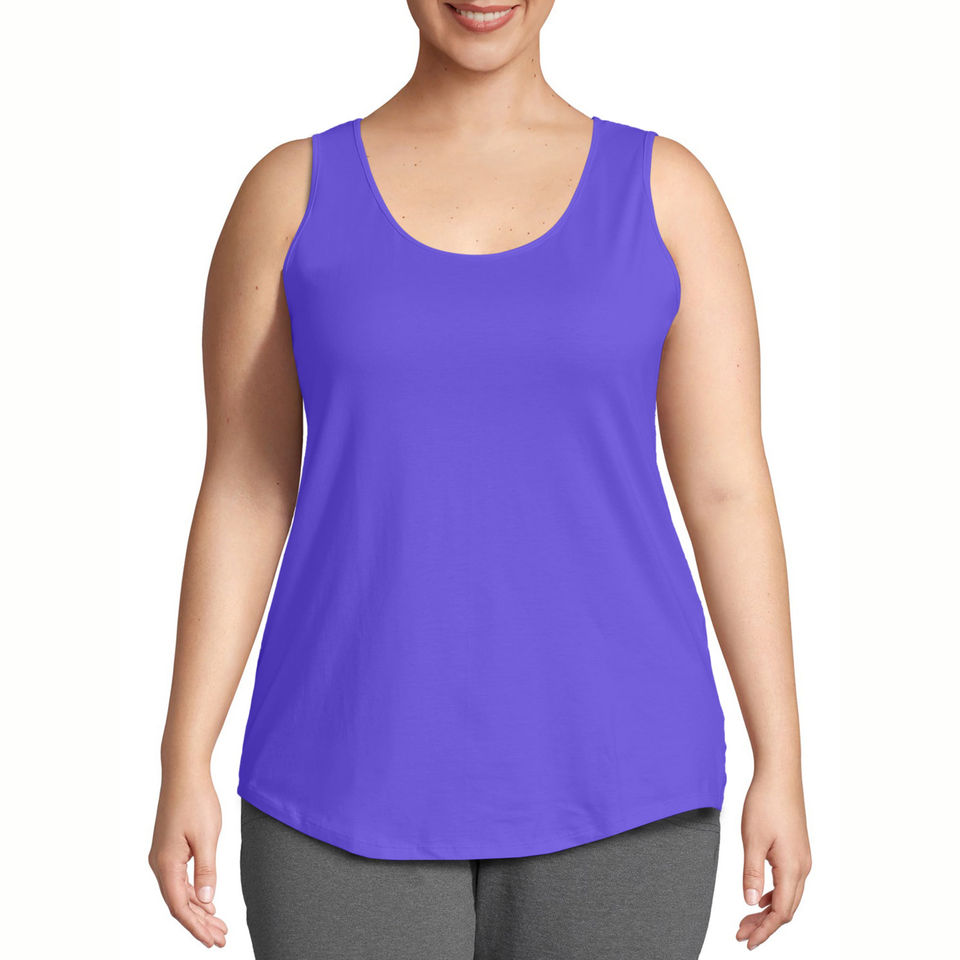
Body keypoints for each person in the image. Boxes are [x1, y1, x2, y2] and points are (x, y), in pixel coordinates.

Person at [148, 1, 812, 956]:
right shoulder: (288, 195)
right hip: (340, 772)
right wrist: (184, 754)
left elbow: (727, 491)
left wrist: (780, 757)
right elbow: (247, 489)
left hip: (622, 778)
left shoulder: (669, 195)